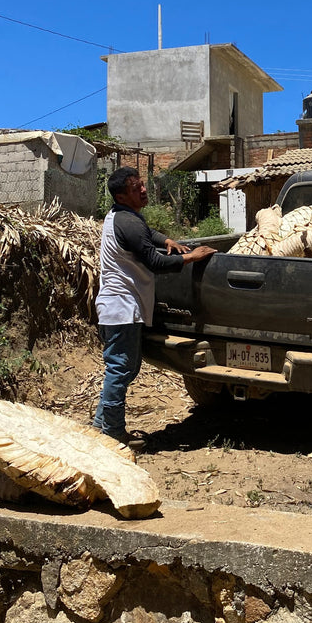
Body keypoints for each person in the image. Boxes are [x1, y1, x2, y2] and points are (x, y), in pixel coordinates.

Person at [93, 166, 215, 449]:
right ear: (122, 196)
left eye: (142, 184)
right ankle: (112, 432)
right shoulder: (128, 222)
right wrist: (191, 257)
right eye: (136, 188)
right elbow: (155, 262)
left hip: (121, 307)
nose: (144, 190)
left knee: (125, 368)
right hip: (121, 308)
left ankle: (101, 424)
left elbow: (147, 233)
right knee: (120, 370)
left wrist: (167, 240)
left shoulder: (122, 216)